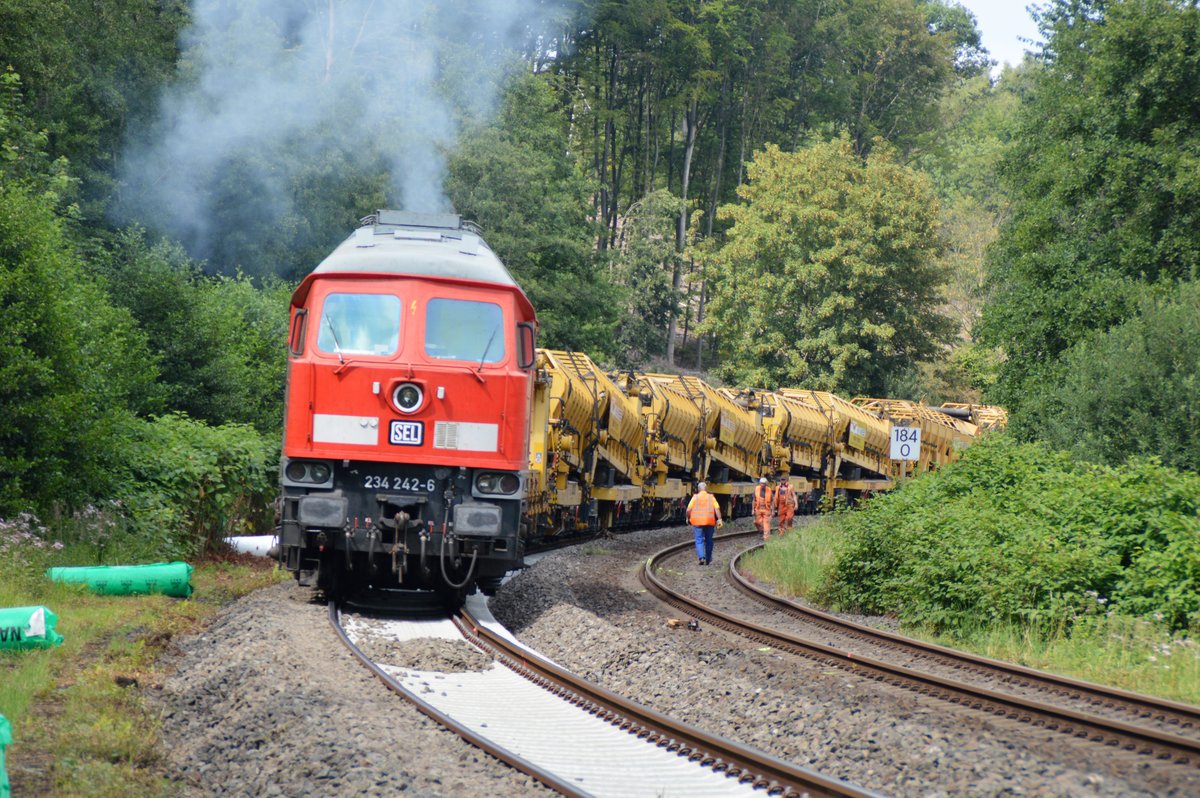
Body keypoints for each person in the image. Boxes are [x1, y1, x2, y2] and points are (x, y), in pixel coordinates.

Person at [686, 481, 723, 565]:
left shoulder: (695, 497)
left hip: (697, 523)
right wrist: (719, 519)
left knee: (699, 540)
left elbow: (688, 509)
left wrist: (687, 517)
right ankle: (708, 559)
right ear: (706, 489)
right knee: (709, 540)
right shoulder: (711, 497)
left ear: (698, 490)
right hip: (710, 522)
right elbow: (717, 508)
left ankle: (701, 557)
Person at [753, 476, 774, 541]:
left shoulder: (769, 490)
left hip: (766, 509)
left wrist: (773, 511)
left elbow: (772, 501)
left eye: (763, 483)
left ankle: (766, 537)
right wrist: (752, 509)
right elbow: (754, 500)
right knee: (757, 522)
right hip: (758, 508)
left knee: (766, 523)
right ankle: (762, 530)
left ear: (766, 484)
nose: (762, 485)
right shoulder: (756, 489)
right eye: (761, 483)